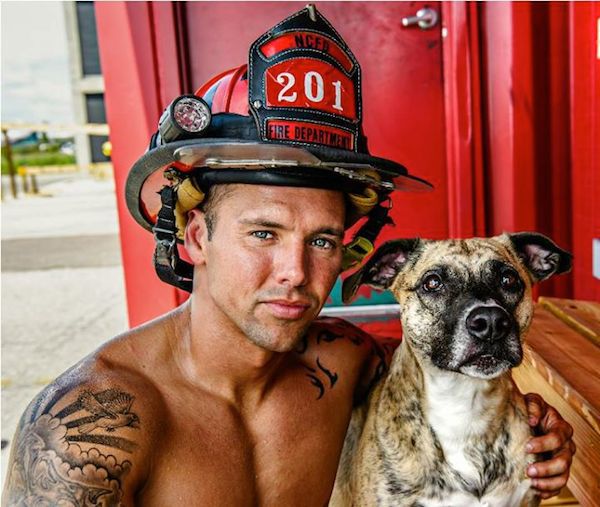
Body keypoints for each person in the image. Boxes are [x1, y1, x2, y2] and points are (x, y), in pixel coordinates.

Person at [3, 6, 574, 506]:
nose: (296, 273)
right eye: (263, 234)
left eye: (322, 241)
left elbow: (450, 363)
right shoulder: (88, 429)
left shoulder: (351, 359)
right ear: (196, 237)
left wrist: (534, 423)